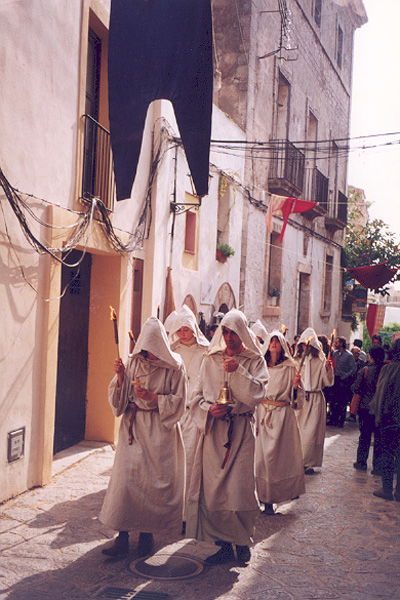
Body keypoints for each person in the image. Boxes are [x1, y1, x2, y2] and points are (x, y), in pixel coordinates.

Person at [186, 309, 268, 565]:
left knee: (240, 490)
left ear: (243, 333)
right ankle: (222, 544)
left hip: (241, 431)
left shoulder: (255, 361)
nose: (230, 337)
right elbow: (194, 398)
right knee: (215, 492)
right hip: (214, 433)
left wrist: (239, 370)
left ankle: (243, 542)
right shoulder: (210, 359)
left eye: (234, 332)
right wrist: (209, 410)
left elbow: (257, 394)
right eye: (226, 332)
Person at [100, 317, 187, 557]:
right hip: (133, 428)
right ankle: (123, 536)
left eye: (152, 349)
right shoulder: (132, 363)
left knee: (151, 485)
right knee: (127, 483)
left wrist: (153, 398)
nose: (148, 355)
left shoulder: (175, 366)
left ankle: (147, 535)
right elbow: (118, 402)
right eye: (145, 349)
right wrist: (120, 378)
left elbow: (180, 402)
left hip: (159, 431)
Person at [255, 330, 305, 515]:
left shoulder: (291, 367)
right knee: (260, 459)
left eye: (277, 341)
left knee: (276, 460)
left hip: (282, 417)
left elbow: (297, 401)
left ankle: (272, 499)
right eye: (271, 341)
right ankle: (259, 496)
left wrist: (296, 386)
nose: (274, 344)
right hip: (262, 415)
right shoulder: (260, 366)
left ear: (282, 345)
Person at [169, 305, 209, 498]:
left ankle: (188, 505)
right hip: (176, 410)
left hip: (195, 411)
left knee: (191, 457)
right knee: (172, 459)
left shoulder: (206, 351)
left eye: (186, 329)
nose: (183, 334)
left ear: (193, 328)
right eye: (180, 330)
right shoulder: (172, 351)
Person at [295, 328, 334, 474]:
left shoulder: (321, 360)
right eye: (303, 346)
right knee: (298, 431)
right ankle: (296, 459)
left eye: (308, 346)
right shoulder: (297, 360)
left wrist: (328, 369)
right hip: (300, 399)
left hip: (315, 399)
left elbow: (327, 382)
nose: (305, 349)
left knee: (311, 432)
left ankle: (309, 462)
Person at [369, 339, 400, 501]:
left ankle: (387, 489)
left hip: (389, 419)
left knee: (387, 454)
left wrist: (378, 417)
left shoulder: (388, 369)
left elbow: (380, 394)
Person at [350, 346, 385, 472]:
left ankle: (361, 462)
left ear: (371, 356)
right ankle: (378, 466)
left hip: (365, 407)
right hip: (380, 407)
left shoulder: (365, 370)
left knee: (364, 436)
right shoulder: (385, 370)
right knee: (379, 438)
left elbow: (356, 388)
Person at [328, 337, 356, 427]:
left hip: (343, 381)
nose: (335, 344)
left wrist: (345, 376)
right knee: (333, 401)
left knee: (342, 402)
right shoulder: (334, 354)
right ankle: (333, 419)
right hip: (334, 379)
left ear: (342, 343)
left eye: (337, 342)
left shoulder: (349, 355)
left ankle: (341, 420)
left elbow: (353, 369)